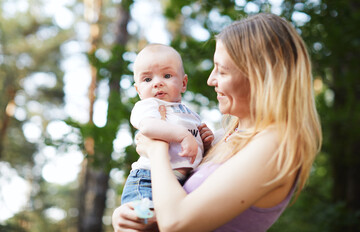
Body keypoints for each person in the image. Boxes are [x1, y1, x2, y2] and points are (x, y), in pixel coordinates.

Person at [112, 13, 322, 232]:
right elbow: (170, 203)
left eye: (221, 70)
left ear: (259, 75)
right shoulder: (222, 138)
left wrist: (156, 149)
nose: (211, 80)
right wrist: (127, 214)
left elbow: (175, 223)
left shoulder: (275, 145)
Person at [121, 43, 214, 206]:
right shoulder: (149, 106)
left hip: (179, 182)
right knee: (143, 222)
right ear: (138, 90)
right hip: (147, 179)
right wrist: (183, 135)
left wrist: (205, 141)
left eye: (167, 76)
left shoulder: (190, 115)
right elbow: (148, 127)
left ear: (183, 83)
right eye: (148, 79)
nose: (157, 83)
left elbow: (192, 148)